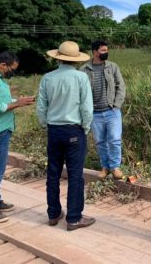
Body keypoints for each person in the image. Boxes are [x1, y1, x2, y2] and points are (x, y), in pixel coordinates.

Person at [36, 41, 95, 231]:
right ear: (76, 60)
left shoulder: (47, 78)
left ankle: (53, 214)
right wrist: (85, 128)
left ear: (58, 58)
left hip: (54, 129)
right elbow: (86, 107)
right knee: (75, 175)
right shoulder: (81, 77)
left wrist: (46, 123)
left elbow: (41, 107)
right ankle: (74, 218)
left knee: (53, 173)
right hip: (74, 130)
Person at [0, 51, 35, 223]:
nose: (12, 72)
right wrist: (17, 104)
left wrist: (18, 100)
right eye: (12, 69)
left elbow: (2, 100)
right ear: (3, 65)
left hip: (0, 130)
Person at [80, 40, 125, 180]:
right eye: (103, 50)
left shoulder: (112, 67)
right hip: (94, 113)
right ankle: (105, 167)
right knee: (100, 142)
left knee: (115, 140)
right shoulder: (84, 70)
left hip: (112, 111)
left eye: (106, 50)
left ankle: (115, 167)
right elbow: (80, 91)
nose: (106, 53)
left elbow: (121, 86)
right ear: (94, 52)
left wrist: (117, 105)